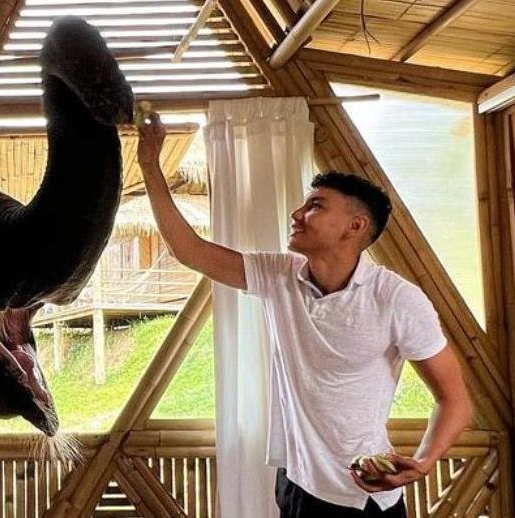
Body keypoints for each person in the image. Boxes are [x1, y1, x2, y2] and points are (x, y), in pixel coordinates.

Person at [136, 112, 473, 517]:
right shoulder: (279, 275)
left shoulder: (397, 299)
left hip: (362, 497)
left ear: (355, 225)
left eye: (314, 206)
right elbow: (189, 250)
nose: (296, 214)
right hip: (296, 484)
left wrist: (423, 462)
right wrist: (149, 166)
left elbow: (454, 399)